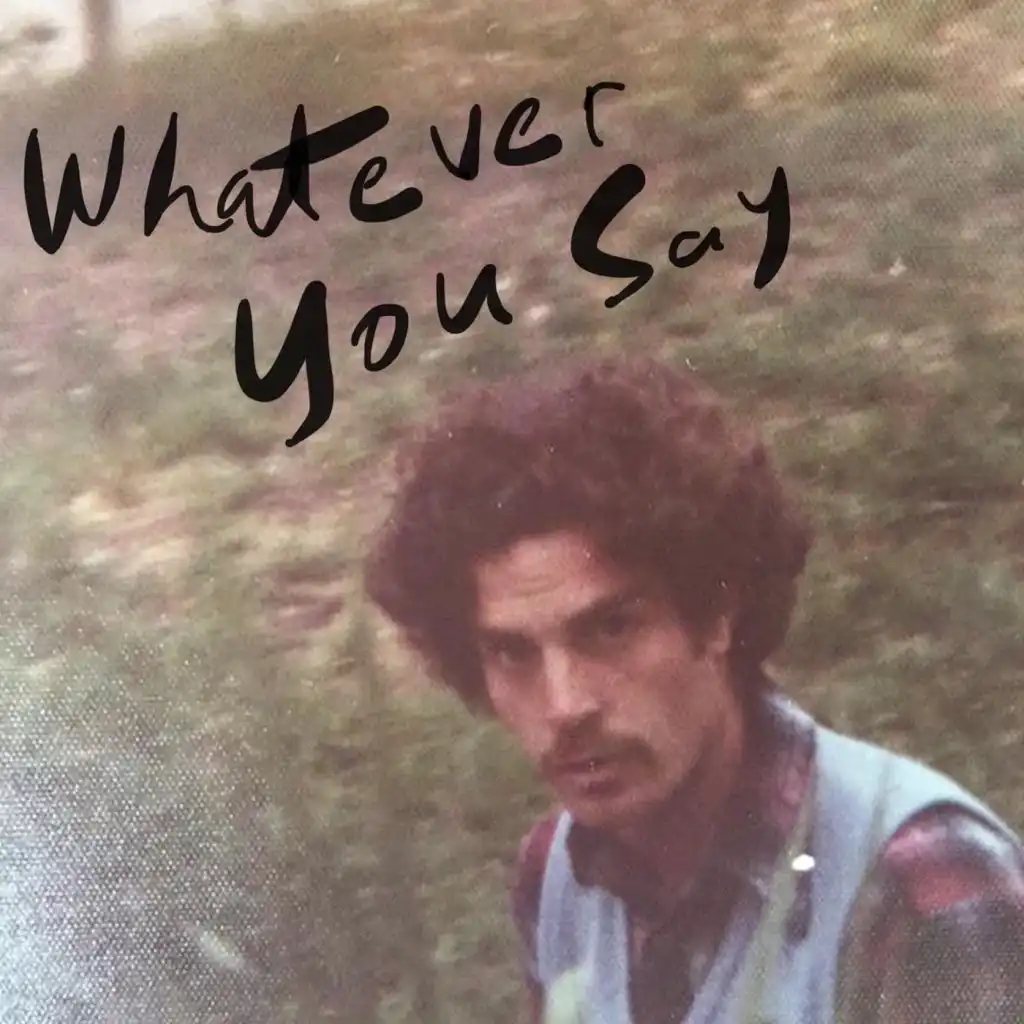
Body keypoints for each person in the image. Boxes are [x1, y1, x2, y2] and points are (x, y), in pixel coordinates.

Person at [364, 356, 1024, 1024]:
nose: (565, 705)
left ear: (716, 614)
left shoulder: (919, 882)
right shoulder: (556, 876)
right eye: (513, 652)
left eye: (611, 629)